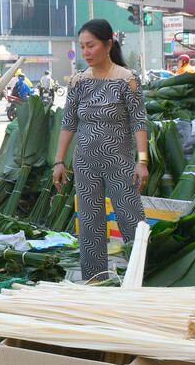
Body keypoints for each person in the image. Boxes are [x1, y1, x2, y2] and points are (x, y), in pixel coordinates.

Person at [52, 18, 147, 282]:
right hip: (84, 161)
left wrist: (142, 161)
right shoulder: (77, 82)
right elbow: (68, 123)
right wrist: (59, 162)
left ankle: (141, 274)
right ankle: (96, 280)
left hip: (120, 161)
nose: (85, 53)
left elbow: (139, 121)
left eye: (90, 46)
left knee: (131, 218)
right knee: (90, 223)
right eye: (82, 47)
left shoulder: (127, 80)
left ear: (108, 44)